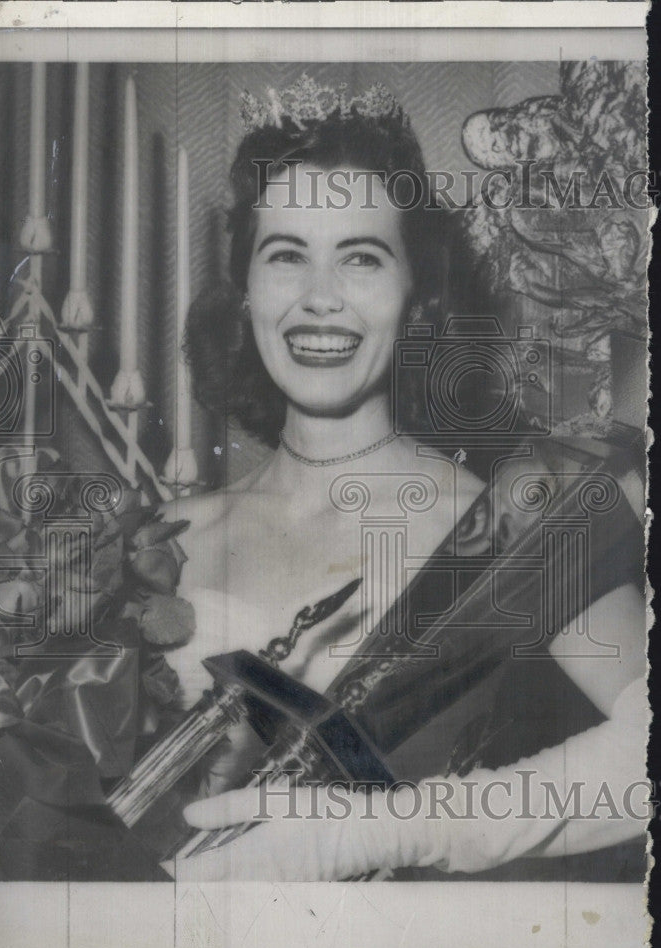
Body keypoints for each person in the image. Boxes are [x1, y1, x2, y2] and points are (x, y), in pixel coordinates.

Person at [163, 74, 647, 882]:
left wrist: (376, 834)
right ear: (243, 292)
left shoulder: (513, 525)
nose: (320, 300)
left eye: (361, 257)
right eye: (286, 256)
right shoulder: (166, 539)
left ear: (415, 293)